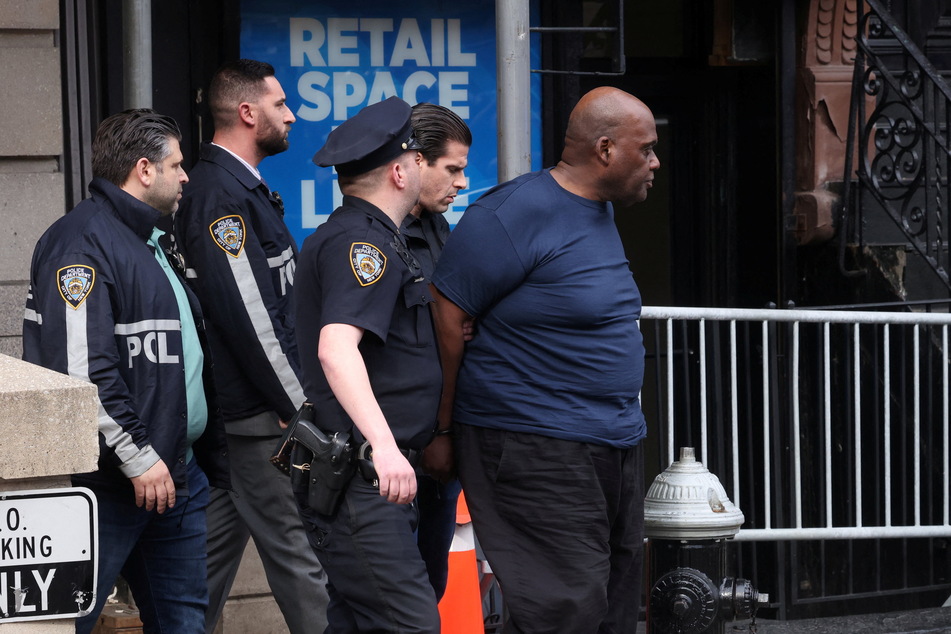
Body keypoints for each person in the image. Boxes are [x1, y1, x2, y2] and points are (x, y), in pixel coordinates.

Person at [430, 86, 660, 633]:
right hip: (535, 441)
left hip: (613, 439)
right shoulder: (514, 212)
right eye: (646, 148)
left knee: (615, 603)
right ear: (605, 149)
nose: (655, 161)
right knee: (564, 610)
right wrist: (443, 428)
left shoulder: (597, 209)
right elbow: (446, 312)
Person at [22, 109, 230, 633]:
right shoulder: (82, 244)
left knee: (184, 623)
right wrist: (138, 458)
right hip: (112, 485)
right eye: (177, 165)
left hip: (175, 475)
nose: (186, 176)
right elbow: (80, 372)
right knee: (68, 621)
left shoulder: (151, 238)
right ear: (143, 169)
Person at [173, 59, 329, 634]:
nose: (291, 115)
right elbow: (253, 320)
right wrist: (302, 410)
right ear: (246, 113)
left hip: (246, 419)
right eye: (280, 104)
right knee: (304, 560)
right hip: (260, 422)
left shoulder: (240, 186)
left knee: (198, 575)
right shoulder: (220, 197)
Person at [294, 96, 441, 633]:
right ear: (401, 171)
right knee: (412, 624)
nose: (423, 168)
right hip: (364, 474)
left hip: (369, 475)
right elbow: (336, 348)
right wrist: (382, 447)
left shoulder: (369, 236)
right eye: (421, 159)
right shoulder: (364, 243)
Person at [402, 102, 471, 600]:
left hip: (441, 441)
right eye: (453, 169)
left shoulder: (439, 230)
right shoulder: (374, 238)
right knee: (398, 597)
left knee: (432, 588)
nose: (462, 183)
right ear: (416, 162)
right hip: (398, 449)